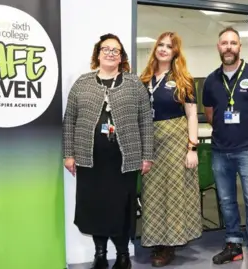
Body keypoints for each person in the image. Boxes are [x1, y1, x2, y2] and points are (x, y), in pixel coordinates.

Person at [63, 33, 154, 269]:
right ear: (97, 53)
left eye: (116, 50)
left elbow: (145, 121)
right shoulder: (82, 83)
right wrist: (69, 154)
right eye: (106, 49)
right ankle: (100, 254)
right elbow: (69, 120)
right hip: (90, 161)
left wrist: (147, 156)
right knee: (95, 208)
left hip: (124, 161)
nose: (111, 53)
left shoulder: (134, 84)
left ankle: (123, 255)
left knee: (122, 209)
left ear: (122, 56)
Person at [202, 26, 248, 269]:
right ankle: (233, 245)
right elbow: (210, 114)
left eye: (233, 43)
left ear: (239, 47)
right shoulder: (212, 80)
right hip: (220, 151)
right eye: (224, 43)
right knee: (226, 201)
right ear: (218, 47)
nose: (228, 47)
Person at [139, 31, 202, 267]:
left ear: (176, 52)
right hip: (150, 143)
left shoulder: (183, 79)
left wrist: (192, 147)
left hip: (176, 142)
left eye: (169, 46)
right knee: (152, 194)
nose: (164, 49)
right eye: (161, 45)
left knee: (174, 193)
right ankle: (156, 241)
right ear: (155, 49)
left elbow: (192, 115)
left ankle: (169, 245)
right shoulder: (143, 79)